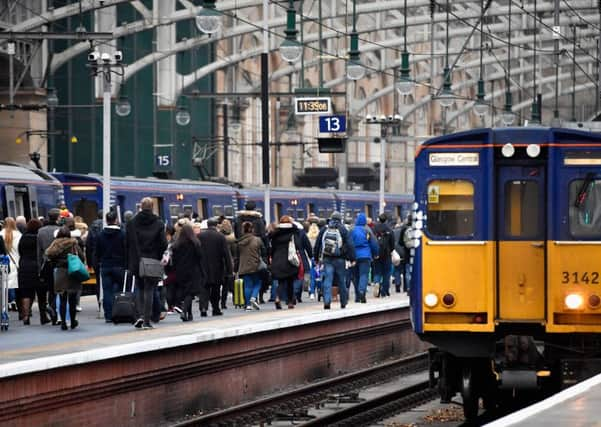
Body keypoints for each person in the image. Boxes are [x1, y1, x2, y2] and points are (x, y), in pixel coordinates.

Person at [126, 197, 167, 329]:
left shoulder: (132, 222)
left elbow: (127, 242)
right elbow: (163, 243)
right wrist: (158, 255)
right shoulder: (159, 223)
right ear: (152, 207)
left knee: (139, 288)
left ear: (141, 207)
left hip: (136, 260)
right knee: (149, 289)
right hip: (152, 259)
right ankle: (147, 321)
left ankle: (139, 316)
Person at [45, 226, 85, 330]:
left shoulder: (55, 244)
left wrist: (57, 263)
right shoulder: (73, 243)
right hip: (73, 272)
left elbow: (48, 255)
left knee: (62, 299)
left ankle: (63, 322)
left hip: (60, 272)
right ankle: (72, 322)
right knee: (72, 299)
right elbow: (82, 257)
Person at [313, 211, 355, 309]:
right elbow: (350, 245)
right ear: (340, 219)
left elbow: (318, 244)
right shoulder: (343, 229)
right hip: (340, 259)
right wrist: (352, 258)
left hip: (327, 258)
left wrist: (316, 258)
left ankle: (327, 301)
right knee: (341, 281)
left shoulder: (325, 228)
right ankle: (343, 302)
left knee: (328, 280)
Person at [96, 211, 126, 323]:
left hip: (105, 266)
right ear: (116, 220)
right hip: (120, 266)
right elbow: (126, 250)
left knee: (107, 291)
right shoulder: (122, 234)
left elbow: (97, 252)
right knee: (120, 290)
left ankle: (108, 315)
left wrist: (98, 263)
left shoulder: (100, 235)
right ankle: (120, 312)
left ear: (107, 220)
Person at [198, 218, 231, 316]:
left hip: (203, 267)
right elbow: (226, 254)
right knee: (216, 289)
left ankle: (203, 308)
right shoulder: (220, 236)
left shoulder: (199, 236)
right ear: (216, 225)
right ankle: (215, 309)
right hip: (217, 267)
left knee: (204, 289)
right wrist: (229, 269)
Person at [17, 219, 48, 325]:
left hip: (25, 267)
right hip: (38, 267)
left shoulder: (23, 237)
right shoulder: (39, 237)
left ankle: (26, 317)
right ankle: (43, 317)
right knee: (41, 293)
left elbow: (20, 251)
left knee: (26, 293)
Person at [171, 224, 204, 321]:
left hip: (180, 272)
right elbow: (200, 256)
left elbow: (174, 260)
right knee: (191, 292)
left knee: (186, 293)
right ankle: (184, 310)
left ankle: (189, 314)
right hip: (193, 271)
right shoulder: (195, 243)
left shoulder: (176, 245)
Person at [268, 216, 301, 309]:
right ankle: (290, 302)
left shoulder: (276, 233)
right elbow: (298, 245)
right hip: (289, 259)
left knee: (280, 281)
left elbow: (272, 248)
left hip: (277, 259)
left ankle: (277, 297)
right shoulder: (293, 233)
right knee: (290, 282)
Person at [37, 208, 61, 325]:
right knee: (56, 290)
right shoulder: (61, 230)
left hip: (45, 264)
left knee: (49, 289)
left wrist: (39, 268)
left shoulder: (40, 231)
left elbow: (39, 252)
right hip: (58, 264)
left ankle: (50, 309)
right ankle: (54, 312)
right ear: (57, 218)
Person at [350, 213, 379, 303]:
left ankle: (357, 296)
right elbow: (373, 243)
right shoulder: (367, 230)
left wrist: (349, 256)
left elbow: (349, 243)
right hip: (365, 256)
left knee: (355, 276)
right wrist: (376, 253)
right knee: (364, 275)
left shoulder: (352, 230)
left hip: (354, 256)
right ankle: (362, 291)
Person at [236, 221, 265, 310]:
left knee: (247, 285)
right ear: (252, 229)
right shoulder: (257, 240)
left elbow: (236, 255)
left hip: (243, 266)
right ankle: (253, 297)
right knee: (258, 283)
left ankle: (248, 305)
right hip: (255, 265)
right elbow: (263, 251)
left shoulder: (239, 242)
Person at [1, 218, 21, 313]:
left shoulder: (1, 233)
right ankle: (14, 301)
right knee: (14, 283)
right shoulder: (18, 234)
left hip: (4, 261)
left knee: (5, 283)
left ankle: (8, 302)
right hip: (16, 262)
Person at [373, 213, 395, 297]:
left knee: (377, 271)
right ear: (386, 220)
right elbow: (392, 243)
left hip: (377, 253)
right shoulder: (389, 229)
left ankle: (376, 282)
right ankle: (384, 291)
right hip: (387, 254)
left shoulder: (374, 228)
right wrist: (391, 250)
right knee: (386, 273)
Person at [219, 218, 237, 309]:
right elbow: (235, 253)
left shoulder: (219, 237)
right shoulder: (232, 238)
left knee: (221, 285)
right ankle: (235, 300)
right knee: (230, 284)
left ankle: (222, 303)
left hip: (220, 263)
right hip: (230, 263)